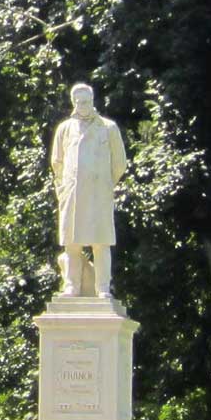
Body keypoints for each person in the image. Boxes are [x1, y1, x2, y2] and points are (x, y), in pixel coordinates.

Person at [49, 82, 129, 296]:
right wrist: (63, 189)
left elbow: (120, 163)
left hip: (98, 193)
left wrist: (104, 184)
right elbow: (57, 162)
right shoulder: (65, 129)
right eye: (78, 102)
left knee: (100, 242)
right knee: (72, 243)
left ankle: (102, 287)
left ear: (92, 101)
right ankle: (71, 285)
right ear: (73, 103)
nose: (82, 105)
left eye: (85, 101)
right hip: (72, 193)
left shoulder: (109, 127)